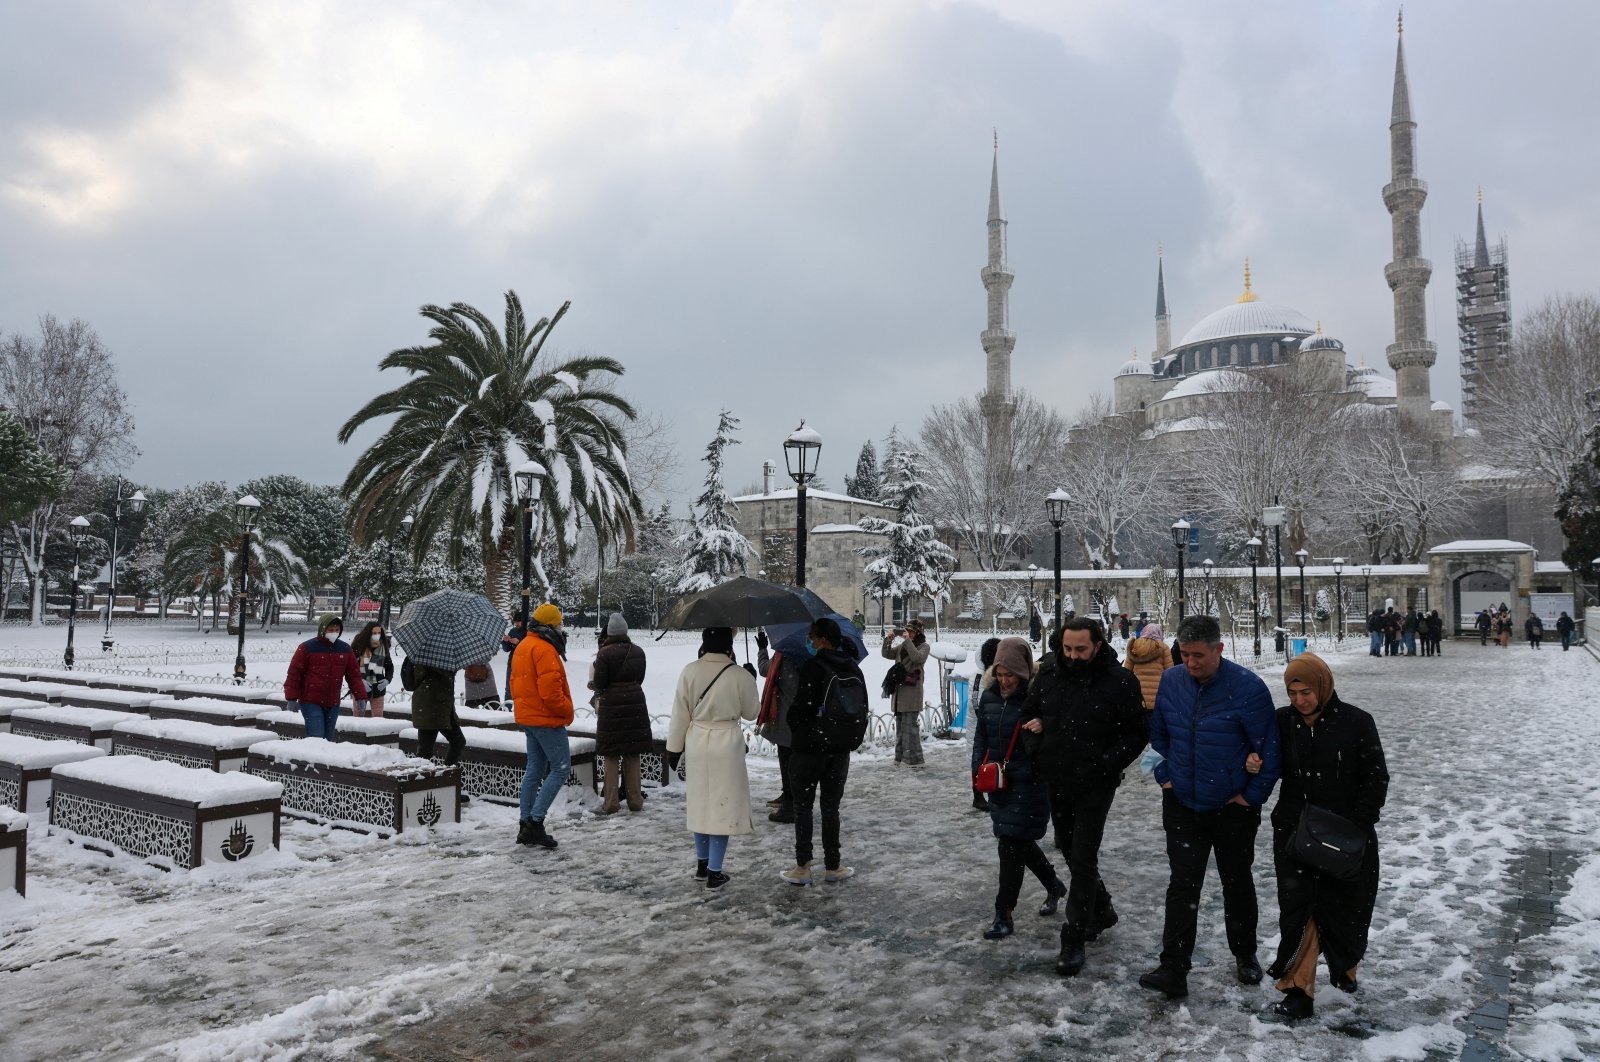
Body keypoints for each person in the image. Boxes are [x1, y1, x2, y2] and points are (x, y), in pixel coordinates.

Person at [1140, 615, 1281, 1001]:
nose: (1191, 663)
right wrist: (1164, 773)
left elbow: (1269, 750)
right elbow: (1161, 734)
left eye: (1199, 655)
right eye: (1184, 655)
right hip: (1183, 802)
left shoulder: (1248, 689)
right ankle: (1173, 967)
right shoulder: (1172, 681)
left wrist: (1250, 797)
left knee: (1236, 881)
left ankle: (1245, 953)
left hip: (1232, 807)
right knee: (1182, 885)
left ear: (1219, 649)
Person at [1245, 652, 1388, 1020]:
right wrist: (1252, 762)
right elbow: (1264, 762)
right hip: (1295, 834)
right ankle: (1298, 988)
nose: (1299, 701)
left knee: (1347, 910)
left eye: (1305, 692)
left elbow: (1375, 778)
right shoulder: (1281, 723)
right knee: (1300, 909)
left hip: (1346, 837)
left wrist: (1356, 824)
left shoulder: (1357, 723)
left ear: (1322, 686)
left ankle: (1345, 965)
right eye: (1292, 693)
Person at [1021, 618, 1148, 976]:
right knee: (1065, 844)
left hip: (1096, 782)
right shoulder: (1048, 674)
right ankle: (1103, 909)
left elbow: (1137, 734)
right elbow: (1029, 714)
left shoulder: (1119, 681)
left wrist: (1106, 765)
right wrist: (1039, 748)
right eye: (1067, 649)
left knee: (1084, 854)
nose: (1074, 656)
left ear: (1097, 645)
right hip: (1058, 776)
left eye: (1081, 649)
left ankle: (1073, 937)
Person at [973, 636, 1060, 940]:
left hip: (1031, 784)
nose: (1004, 680)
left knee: (1010, 846)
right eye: (999, 674)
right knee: (1017, 842)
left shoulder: (1038, 698)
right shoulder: (989, 696)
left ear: (1023, 671)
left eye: (1010, 674)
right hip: (999, 783)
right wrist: (977, 771)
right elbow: (981, 737)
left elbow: (1051, 741)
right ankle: (1054, 885)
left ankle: (1003, 914)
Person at [665, 627, 759, 889]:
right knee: (722, 804)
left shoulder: (690, 671)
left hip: (697, 741)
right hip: (726, 742)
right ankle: (715, 872)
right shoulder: (739, 675)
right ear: (730, 645)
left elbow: (680, 713)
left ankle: (702, 864)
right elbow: (751, 712)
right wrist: (750, 678)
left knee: (701, 802)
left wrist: (674, 748)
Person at [782, 617, 869, 886]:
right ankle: (833, 864)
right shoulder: (853, 668)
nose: (809, 641)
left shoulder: (814, 667)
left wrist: (799, 727)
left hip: (810, 749)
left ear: (822, 639)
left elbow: (799, 709)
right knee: (831, 808)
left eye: (812, 636)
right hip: (839, 749)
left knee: (804, 807)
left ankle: (803, 866)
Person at [510, 603, 574, 849]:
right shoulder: (545, 649)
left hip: (529, 717)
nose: (560, 628)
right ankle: (535, 824)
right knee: (560, 768)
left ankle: (525, 822)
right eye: (558, 624)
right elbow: (551, 694)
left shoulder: (525, 645)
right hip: (546, 719)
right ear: (550, 626)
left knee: (534, 769)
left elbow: (516, 683)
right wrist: (567, 711)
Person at [591, 613, 652, 815]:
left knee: (611, 754)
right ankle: (635, 800)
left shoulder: (604, 654)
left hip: (612, 707)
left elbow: (600, 684)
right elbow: (640, 678)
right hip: (635, 703)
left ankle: (611, 802)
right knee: (632, 753)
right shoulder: (639, 651)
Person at [284, 614, 368, 740]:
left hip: (332, 702)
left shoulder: (345, 649)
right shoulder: (307, 648)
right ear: (322, 630)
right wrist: (291, 698)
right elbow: (294, 674)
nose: (334, 633)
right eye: (330, 630)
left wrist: (360, 696)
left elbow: (354, 675)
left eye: (337, 630)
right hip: (310, 700)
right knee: (316, 736)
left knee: (327, 738)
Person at [756, 628, 801, 823]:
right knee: (795, 762)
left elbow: (765, 669)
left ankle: (790, 805)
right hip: (801, 719)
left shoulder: (784, 657)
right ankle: (790, 797)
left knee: (787, 762)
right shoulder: (804, 655)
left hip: (785, 719)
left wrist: (762, 649)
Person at [882, 619, 931, 767]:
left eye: (911, 631)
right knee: (900, 729)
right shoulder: (903, 646)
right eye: (907, 630)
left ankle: (915, 760)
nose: (908, 633)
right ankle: (900, 758)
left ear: (918, 633)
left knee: (910, 729)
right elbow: (887, 654)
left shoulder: (924, 646)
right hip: (899, 693)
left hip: (912, 693)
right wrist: (888, 641)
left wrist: (908, 641)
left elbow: (918, 658)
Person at [410, 659, 467, 779]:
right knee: (424, 753)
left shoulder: (440, 654)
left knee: (458, 742)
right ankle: (419, 787)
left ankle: (447, 782)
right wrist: (451, 668)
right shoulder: (431, 656)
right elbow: (428, 674)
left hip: (443, 707)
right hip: (430, 706)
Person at [350, 621, 393, 717]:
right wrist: (360, 680)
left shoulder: (383, 647)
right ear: (368, 633)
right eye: (374, 633)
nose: (377, 635)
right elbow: (351, 668)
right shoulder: (359, 646)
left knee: (378, 718)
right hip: (359, 690)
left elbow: (389, 667)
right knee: (358, 718)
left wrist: (387, 679)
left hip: (378, 689)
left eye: (379, 633)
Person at [1122, 621, 1168, 711]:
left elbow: (1126, 671)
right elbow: (1170, 672)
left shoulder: (1134, 646)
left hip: (1137, 693)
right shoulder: (1163, 647)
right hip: (1158, 693)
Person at [500, 618, 526, 703]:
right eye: (515, 622)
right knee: (509, 688)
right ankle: (507, 709)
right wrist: (505, 641)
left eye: (518, 621)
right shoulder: (512, 631)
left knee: (523, 688)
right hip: (511, 663)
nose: (516, 624)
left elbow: (529, 646)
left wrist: (519, 642)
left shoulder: (529, 631)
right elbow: (506, 649)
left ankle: (521, 709)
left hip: (524, 665)